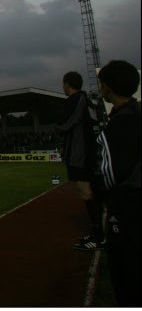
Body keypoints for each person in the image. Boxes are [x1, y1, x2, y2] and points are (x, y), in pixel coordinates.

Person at [93, 60, 140, 306]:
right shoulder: (137, 112)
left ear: (107, 87)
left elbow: (109, 175)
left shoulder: (119, 123)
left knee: (126, 275)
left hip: (128, 208)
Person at [55, 71, 104, 250]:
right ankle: (99, 233)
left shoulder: (76, 100)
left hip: (80, 153)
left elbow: (64, 124)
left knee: (86, 191)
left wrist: (57, 125)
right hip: (90, 152)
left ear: (67, 84)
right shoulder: (89, 100)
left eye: (63, 83)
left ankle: (98, 236)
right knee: (92, 191)